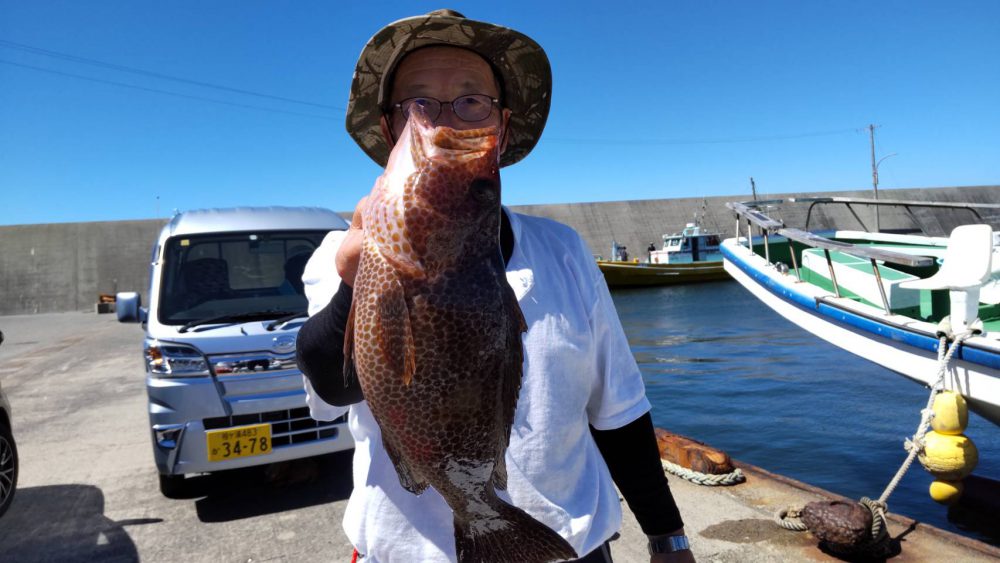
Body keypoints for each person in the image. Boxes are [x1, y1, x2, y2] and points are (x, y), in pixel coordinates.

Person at [296, 10, 693, 563]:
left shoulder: (564, 250)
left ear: (500, 129)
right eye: (418, 102)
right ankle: (479, 510)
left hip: (569, 544)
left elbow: (619, 410)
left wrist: (667, 534)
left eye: (470, 101)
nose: (442, 122)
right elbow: (333, 388)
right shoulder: (338, 257)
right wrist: (354, 285)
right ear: (389, 129)